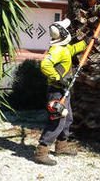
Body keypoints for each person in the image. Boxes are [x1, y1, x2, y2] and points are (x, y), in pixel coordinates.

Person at [34, 18, 87, 166]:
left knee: (67, 118)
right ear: (63, 33)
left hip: (64, 90)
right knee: (57, 120)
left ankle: (61, 146)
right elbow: (45, 65)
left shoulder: (63, 48)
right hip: (56, 91)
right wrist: (58, 78)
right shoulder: (57, 50)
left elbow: (71, 50)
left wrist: (86, 43)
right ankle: (41, 152)